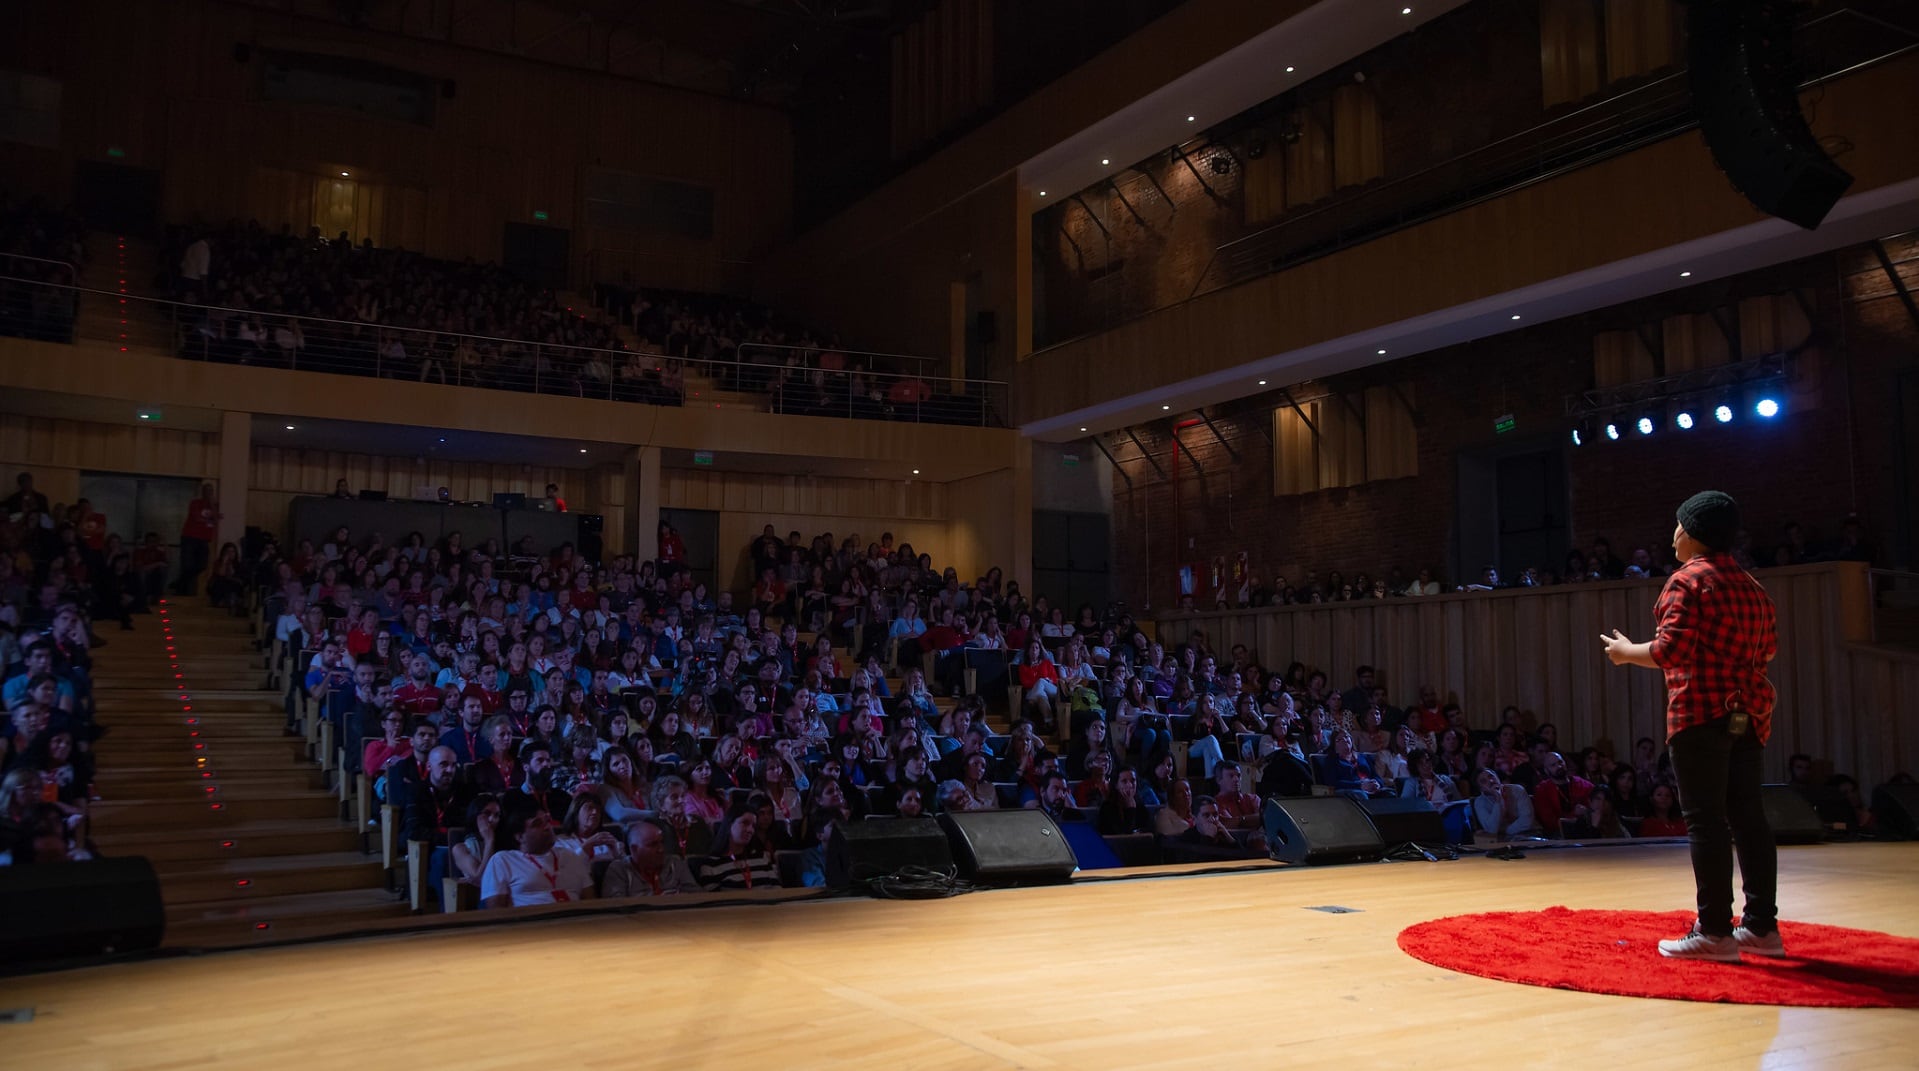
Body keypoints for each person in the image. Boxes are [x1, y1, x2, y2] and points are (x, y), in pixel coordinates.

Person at [1601, 490, 1781, 962]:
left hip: (1699, 712)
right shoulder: (1753, 587)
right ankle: (1762, 927)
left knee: (1706, 822)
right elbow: (1768, 652)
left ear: (1690, 531)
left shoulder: (1688, 581)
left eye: (1678, 525)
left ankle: (1716, 932)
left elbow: (1670, 650)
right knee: (1750, 819)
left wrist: (1626, 653)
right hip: (1749, 713)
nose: (1673, 533)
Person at [480, 806, 595, 908]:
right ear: (520, 837)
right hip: (530, 927)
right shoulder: (503, 861)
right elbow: (496, 912)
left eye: (547, 821)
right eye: (537, 824)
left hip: (575, 925)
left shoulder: (570, 856)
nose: (547, 827)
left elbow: (591, 903)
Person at [600, 821, 701, 898]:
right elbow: (614, 904)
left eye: (662, 842)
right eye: (653, 845)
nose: (661, 849)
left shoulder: (675, 863)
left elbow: (698, 895)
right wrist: (660, 899)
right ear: (634, 849)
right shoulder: (619, 869)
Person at [174, 482, 220, 596]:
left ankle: (179, 583)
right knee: (187, 565)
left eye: (211, 491)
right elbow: (197, 518)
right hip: (190, 537)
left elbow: (215, 519)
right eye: (207, 490)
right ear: (203, 492)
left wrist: (212, 505)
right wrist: (210, 519)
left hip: (204, 539)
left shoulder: (214, 505)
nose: (209, 493)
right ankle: (182, 590)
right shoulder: (196, 503)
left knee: (202, 565)